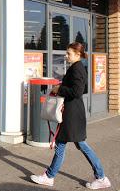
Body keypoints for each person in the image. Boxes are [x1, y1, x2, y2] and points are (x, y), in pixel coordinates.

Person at [31, 42, 111, 190]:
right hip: (72, 114)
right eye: (66, 53)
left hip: (73, 116)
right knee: (64, 145)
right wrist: (62, 86)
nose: (66, 55)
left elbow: (77, 91)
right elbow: (77, 88)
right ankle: (50, 176)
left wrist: (59, 88)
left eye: (69, 53)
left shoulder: (77, 69)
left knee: (78, 145)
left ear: (77, 54)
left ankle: (100, 177)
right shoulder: (76, 68)